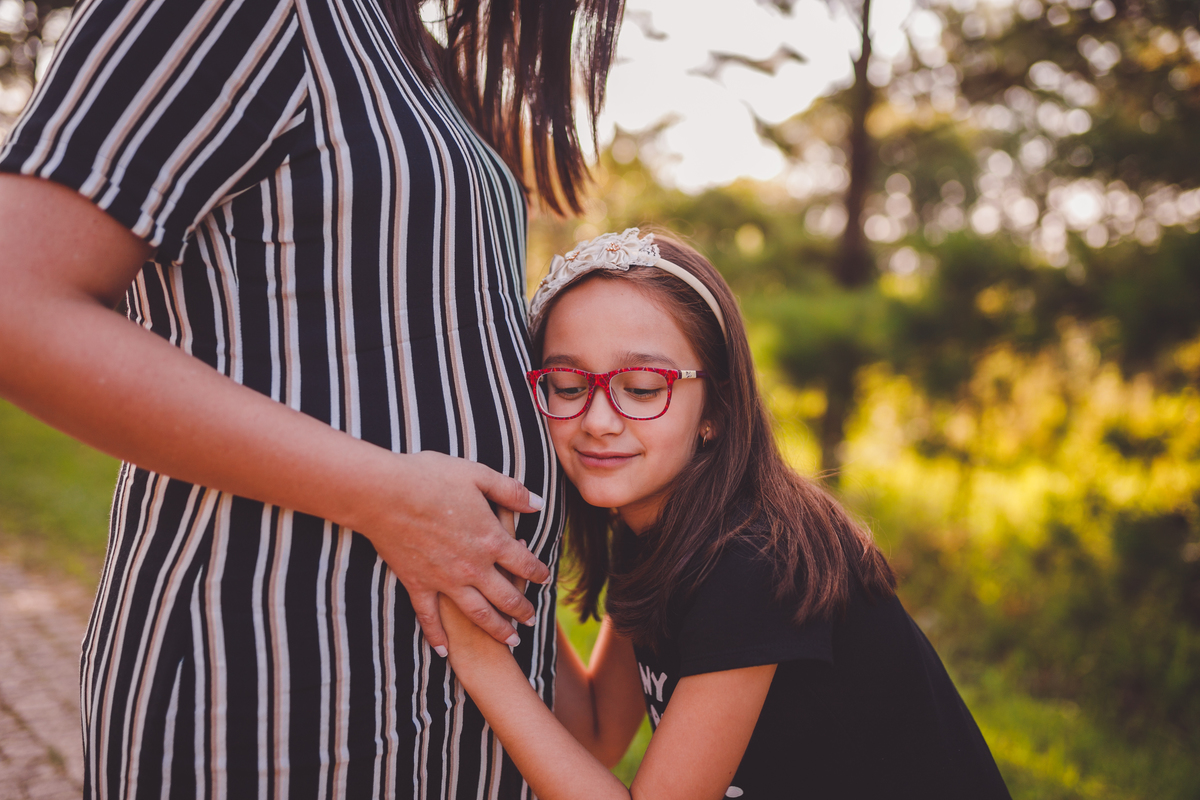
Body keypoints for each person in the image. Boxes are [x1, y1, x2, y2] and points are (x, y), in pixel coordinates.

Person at [0, 1, 624, 797]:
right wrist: (381, 494)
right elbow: (15, 301)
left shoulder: (411, 48)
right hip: (275, 694)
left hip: (444, 709)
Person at [437, 228, 1013, 799]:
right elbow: (596, 732)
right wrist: (497, 578)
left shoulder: (751, 559)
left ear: (716, 406)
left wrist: (480, 659)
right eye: (567, 383)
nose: (598, 420)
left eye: (642, 387)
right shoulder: (654, 530)